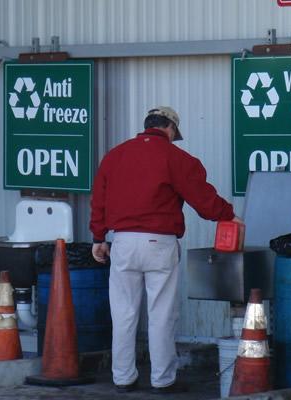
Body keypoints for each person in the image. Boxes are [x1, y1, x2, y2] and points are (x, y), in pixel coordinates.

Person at [89, 106, 241, 394]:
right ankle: (162, 380)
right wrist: (228, 215)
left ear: (148, 125)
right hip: (159, 244)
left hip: (121, 242)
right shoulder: (176, 158)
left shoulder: (115, 156)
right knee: (161, 314)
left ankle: (123, 378)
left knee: (123, 313)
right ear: (169, 128)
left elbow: (99, 200)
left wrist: (98, 237)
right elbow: (202, 198)